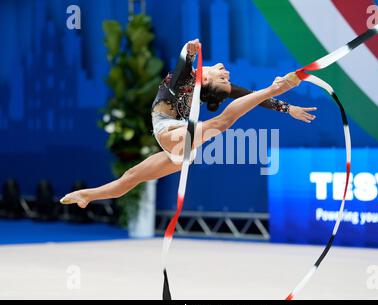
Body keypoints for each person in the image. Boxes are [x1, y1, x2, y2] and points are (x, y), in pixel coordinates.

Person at [60, 39, 316, 208]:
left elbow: (244, 94)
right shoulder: (182, 80)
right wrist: (189, 50)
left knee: (223, 120)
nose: (224, 69)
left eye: (223, 75)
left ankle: (273, 88)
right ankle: (88, 195)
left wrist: (286, 106)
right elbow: (185, 60)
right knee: (130, 178)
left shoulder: (191, 77)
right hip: (176, 137)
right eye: (224, 74)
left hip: (179, 140)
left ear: (206, 81)